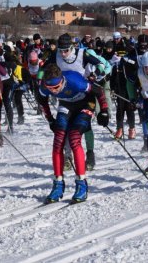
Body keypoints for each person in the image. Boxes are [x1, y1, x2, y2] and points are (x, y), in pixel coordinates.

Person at [37, 64, 109, 204]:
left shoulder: (76, 82)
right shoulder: (45, 87)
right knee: (58, 141)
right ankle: (58, 184)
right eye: (51, 89)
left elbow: (99, 91)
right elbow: (43, 102)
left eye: (56, 88)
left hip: (85, 104)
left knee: (75, 137)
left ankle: (81, 183)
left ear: (62, 81)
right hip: (66, 105)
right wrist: (50, 119)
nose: (54, 91)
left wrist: (104, 111)